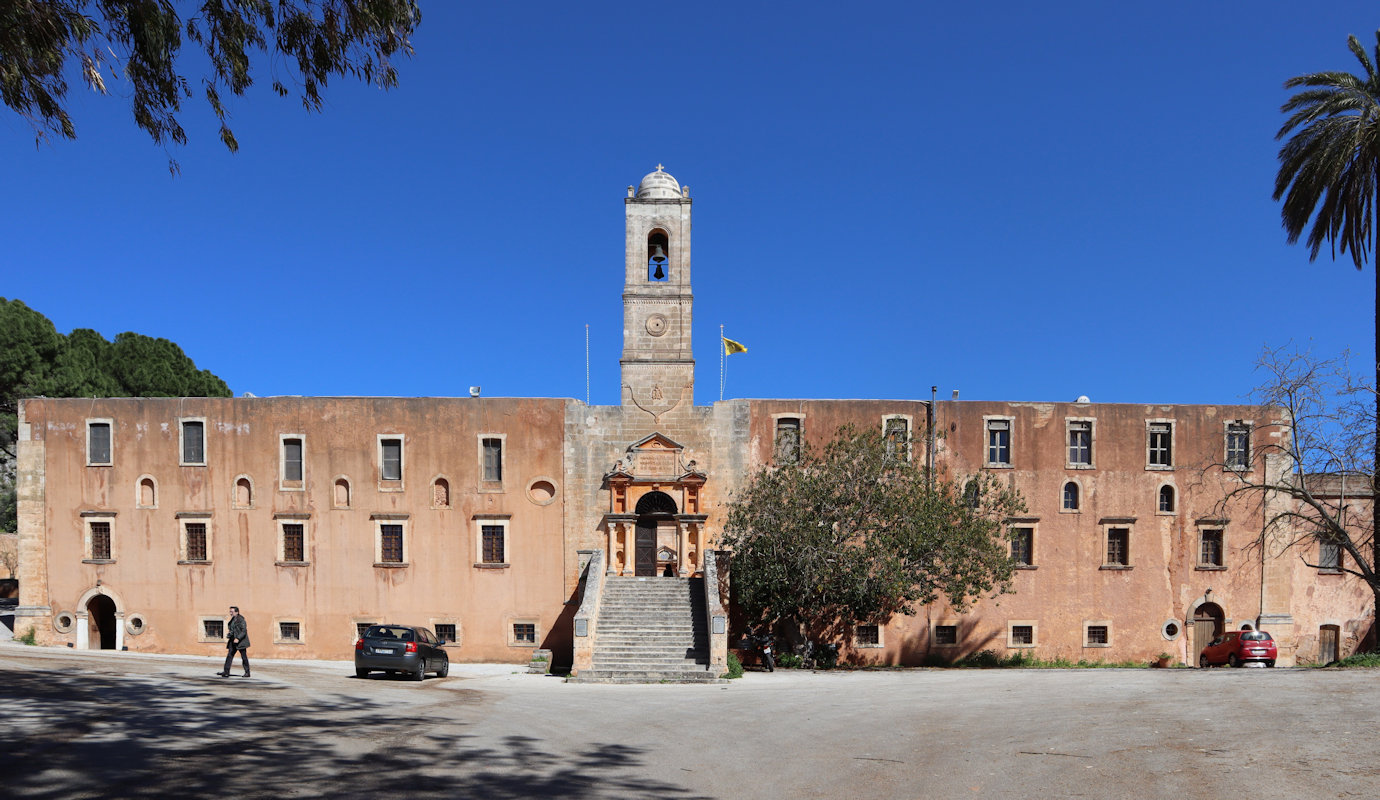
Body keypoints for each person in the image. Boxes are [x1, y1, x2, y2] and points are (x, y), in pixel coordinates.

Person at [219, 606, 250, 677]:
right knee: (229, 656)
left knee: (244, 657)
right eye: (230, 611)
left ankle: (247, 672)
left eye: (232, 612)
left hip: (241, 642)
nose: (230, 613)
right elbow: (233, 630)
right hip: (232, 641)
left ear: (237, 612)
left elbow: (244, 631)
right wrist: (230, 634)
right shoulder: (233, 620)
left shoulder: (241, 620)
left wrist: (238, 638)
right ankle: (226, 672)